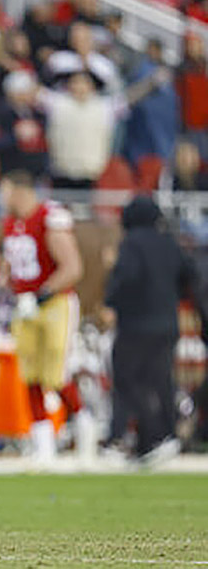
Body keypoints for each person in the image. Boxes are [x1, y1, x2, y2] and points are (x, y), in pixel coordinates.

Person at [0, 168, 83, 465]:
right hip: (25, 304)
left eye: (6, 191)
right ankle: (43, 445)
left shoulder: (49, 216)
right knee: (30, 374)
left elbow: (72, 267)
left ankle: (84, 426)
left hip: (55, 302)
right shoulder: (12, 222)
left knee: (56, 373)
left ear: (19, 190)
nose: (3, 197)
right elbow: (10, 271)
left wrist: (39, 297)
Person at [104, 196, 197, 463]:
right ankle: (161, 438)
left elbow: (125, 277)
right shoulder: (170, 243)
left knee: (126, 381)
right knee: (160, 382)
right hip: (167, 325)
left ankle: (119, 438)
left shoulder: (131, 244)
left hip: (135, 324)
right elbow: (190, 275)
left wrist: (111, 300)